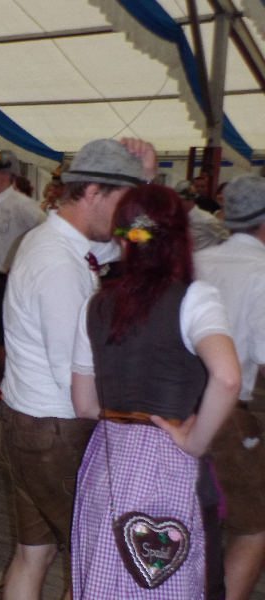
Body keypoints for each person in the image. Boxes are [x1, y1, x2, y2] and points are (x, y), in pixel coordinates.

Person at [0, 138, 156, 600]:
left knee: (35, 552)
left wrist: (145, 183)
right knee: (94, 560)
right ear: (92, 193)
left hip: (30, 422)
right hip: (56, 430)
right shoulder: (58, 261)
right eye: (123, 202)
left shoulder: (60, 244)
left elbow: (135, 245)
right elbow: (73, 374)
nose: (127, 217)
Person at [70, 184, 240, 598]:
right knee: (170, 583)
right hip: (169, 461)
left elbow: (85, 404)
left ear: (124, 239)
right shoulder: (195, 299)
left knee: (106, 577)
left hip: (108, 459)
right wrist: (194, 441)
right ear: (181, 236)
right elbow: (227, 378)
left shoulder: (96, 305)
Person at [195, 175, 265, 600]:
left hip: (175, 409)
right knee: (254, 526)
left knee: (196, 522)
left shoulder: (197, 260)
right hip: (225, 414)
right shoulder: (262, 271)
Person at [0, 150, 46, 415]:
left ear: (6, 174)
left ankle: (13, 389)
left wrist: (27, 261)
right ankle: (10, 386)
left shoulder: (21, 204)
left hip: (8, 280)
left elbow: (46, 230)